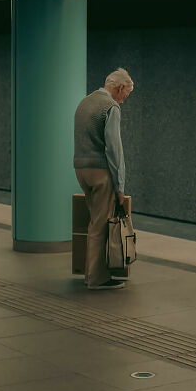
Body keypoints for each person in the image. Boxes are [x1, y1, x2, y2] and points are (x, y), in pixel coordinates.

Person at [74, 67, 133, 290]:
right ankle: (97, 278)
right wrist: (120, 187)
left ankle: (90, 274)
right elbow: (114, 150)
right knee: (101, 225)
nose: (123, 101)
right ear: (119, 88)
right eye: (125, 95)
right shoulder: (110, 107)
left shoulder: (85, 102)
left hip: (81, 169)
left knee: (94, 222)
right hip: (100, 171)